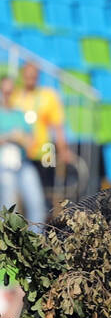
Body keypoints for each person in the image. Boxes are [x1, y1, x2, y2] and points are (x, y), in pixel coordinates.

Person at [9, 62, 70, 193]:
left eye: (33, 76)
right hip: (22, 151)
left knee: (46, 190)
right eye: (28, 75)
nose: (30, 78)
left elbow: (58, 126)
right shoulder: (14, 96)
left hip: (45, 150)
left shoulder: (48, 96)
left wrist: (63, 149)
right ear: (22, 75)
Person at [0, 75, 47, 226]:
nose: (7, 94)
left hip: (23, 163)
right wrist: (9, 137)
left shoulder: (20, 115)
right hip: (4, 166)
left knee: (37, 204)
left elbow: (31, 141)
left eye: (10, 91)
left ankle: (37, 244)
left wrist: (22, 139)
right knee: (8, 208)